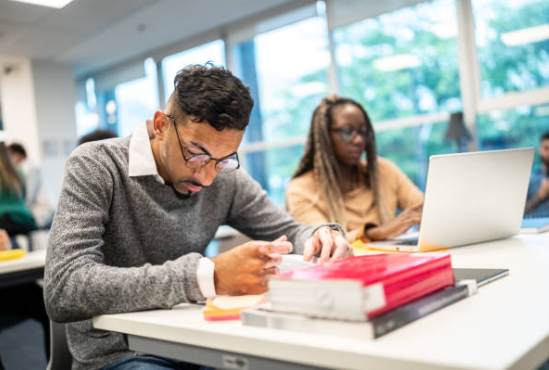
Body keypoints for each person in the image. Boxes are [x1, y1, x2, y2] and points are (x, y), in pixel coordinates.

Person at [44, 64, 353, 370]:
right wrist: (208, 276)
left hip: (203, 341)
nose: (207, 177)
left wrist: (321, 236)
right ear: (162, 125)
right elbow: (63, 288)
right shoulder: (97, 165)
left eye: (223, 159)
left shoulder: (224, 177)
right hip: (121, 354)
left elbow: (288, 230)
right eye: (196, 153)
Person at [286, 95, 424, 243]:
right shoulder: (300, 189)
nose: (359, 140)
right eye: (347, 131)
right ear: (324, 136)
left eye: (363, 132)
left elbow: (423, 211)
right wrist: (380, 232)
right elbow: (323, 242)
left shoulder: (383, 170)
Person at [8, 142, 54, 228]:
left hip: (42, 211)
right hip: (34, 210)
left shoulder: (30, 168)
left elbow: (29, 196)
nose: (9, 160)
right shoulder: (23, 168)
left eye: (10, 156)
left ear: (18, 154)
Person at [524, 131, 549, 218]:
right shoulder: (529, 178)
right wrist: (540, 195)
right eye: (546, 148)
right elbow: (521, 212)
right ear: (540, 149)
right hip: (537, 223)